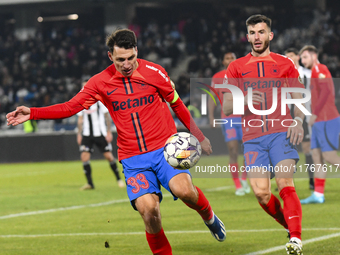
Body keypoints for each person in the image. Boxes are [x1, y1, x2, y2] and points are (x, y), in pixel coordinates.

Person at [7, 28, 226, 254]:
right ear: (110, 56)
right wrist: (32, 113)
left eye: (131, 57)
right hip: (133, 158)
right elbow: (70, 107)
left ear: (136, 51)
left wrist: (200, 137)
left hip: (165, 149)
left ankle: (209, 217)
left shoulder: (155, 72)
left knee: (185, 191)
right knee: (149, 212)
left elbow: (177, 104)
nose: (127, 64)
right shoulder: (99, 82)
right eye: (121, 59)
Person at [222, 15, 305, 255]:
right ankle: (290, 227)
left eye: (261, 32)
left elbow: (298, 98)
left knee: (284, 183)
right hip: (253, 138)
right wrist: (245, 99)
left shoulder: (285, 64)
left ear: (270, 35)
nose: (256, 37)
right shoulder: (236, 67)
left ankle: (296, 239)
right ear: (247, 36)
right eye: (252, 32)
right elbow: (227, 107)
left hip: (281, 133)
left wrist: (298, 120)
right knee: (260, 193)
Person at [299, 45, 340, 204]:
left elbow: (326, 92)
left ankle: (318, 193)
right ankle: (318, 194)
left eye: (305, 57)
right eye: (301, 58)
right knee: (316, 156)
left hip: (326, 119)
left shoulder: (319, 69)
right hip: (318, 121)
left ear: (314, 56)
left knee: (329, 156)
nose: (303, 61)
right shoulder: (315, 72)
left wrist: (315, 113)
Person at [209, 52, 250, 196]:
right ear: (223, 61)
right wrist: (210, 117)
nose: (230, 60)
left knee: (248, 150)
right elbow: (212, 98)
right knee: (233, 150)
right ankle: (238, 185)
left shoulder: (243, 74)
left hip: (245, 117)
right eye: (227, 58)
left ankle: (244, 178)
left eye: (232, 57)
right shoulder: (217, 77)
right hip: (229, 119)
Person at [76, 82, 125, 190]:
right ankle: (90, 183)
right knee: (84, 156)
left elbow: (107, 116)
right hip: (87, 134)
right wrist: (79, 134)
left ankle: (118, 179)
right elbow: (80, 119)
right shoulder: (81, 101)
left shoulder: (99, 101)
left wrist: (108, 131)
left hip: (100, 134)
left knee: (109, 156)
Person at [285, 48, 314, 190]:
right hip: (287, 114)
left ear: (297, 57)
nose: (289, 58)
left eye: (291, 56)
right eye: (287, 56)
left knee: (307, 147)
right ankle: (285, 181)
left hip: (305, 113)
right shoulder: (283, 75)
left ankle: (312, 180)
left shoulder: (307, 74)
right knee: (286, 148)